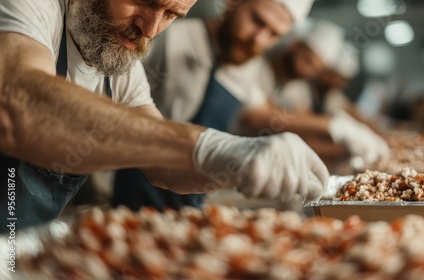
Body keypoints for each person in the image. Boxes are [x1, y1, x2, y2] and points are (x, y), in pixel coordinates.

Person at [0, 0, 329, 232]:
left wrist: (237, 162)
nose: (151, 28)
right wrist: (203, 145)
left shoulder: (120, 67)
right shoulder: (32, 7)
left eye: (172, 13)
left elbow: (162, 166)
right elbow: (20, 104)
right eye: (142, 1)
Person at [112, 0, 317, 211]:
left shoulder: (248, 67)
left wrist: (334, 128)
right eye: (256, 20)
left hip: (189, 210)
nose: (258, 39)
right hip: (123, 198)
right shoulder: (168, 36)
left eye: (274, 34)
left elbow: (260, 111)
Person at [239, 20, 390, 168]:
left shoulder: (298, 88)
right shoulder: (254, 67)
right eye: (307, 60)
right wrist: (334, 126)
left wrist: (340, 152)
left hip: (266, 163)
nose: (307, 71)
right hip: (236, 158)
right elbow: (258, 117)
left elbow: (302, 133)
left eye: (316, 70)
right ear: (295, 44)